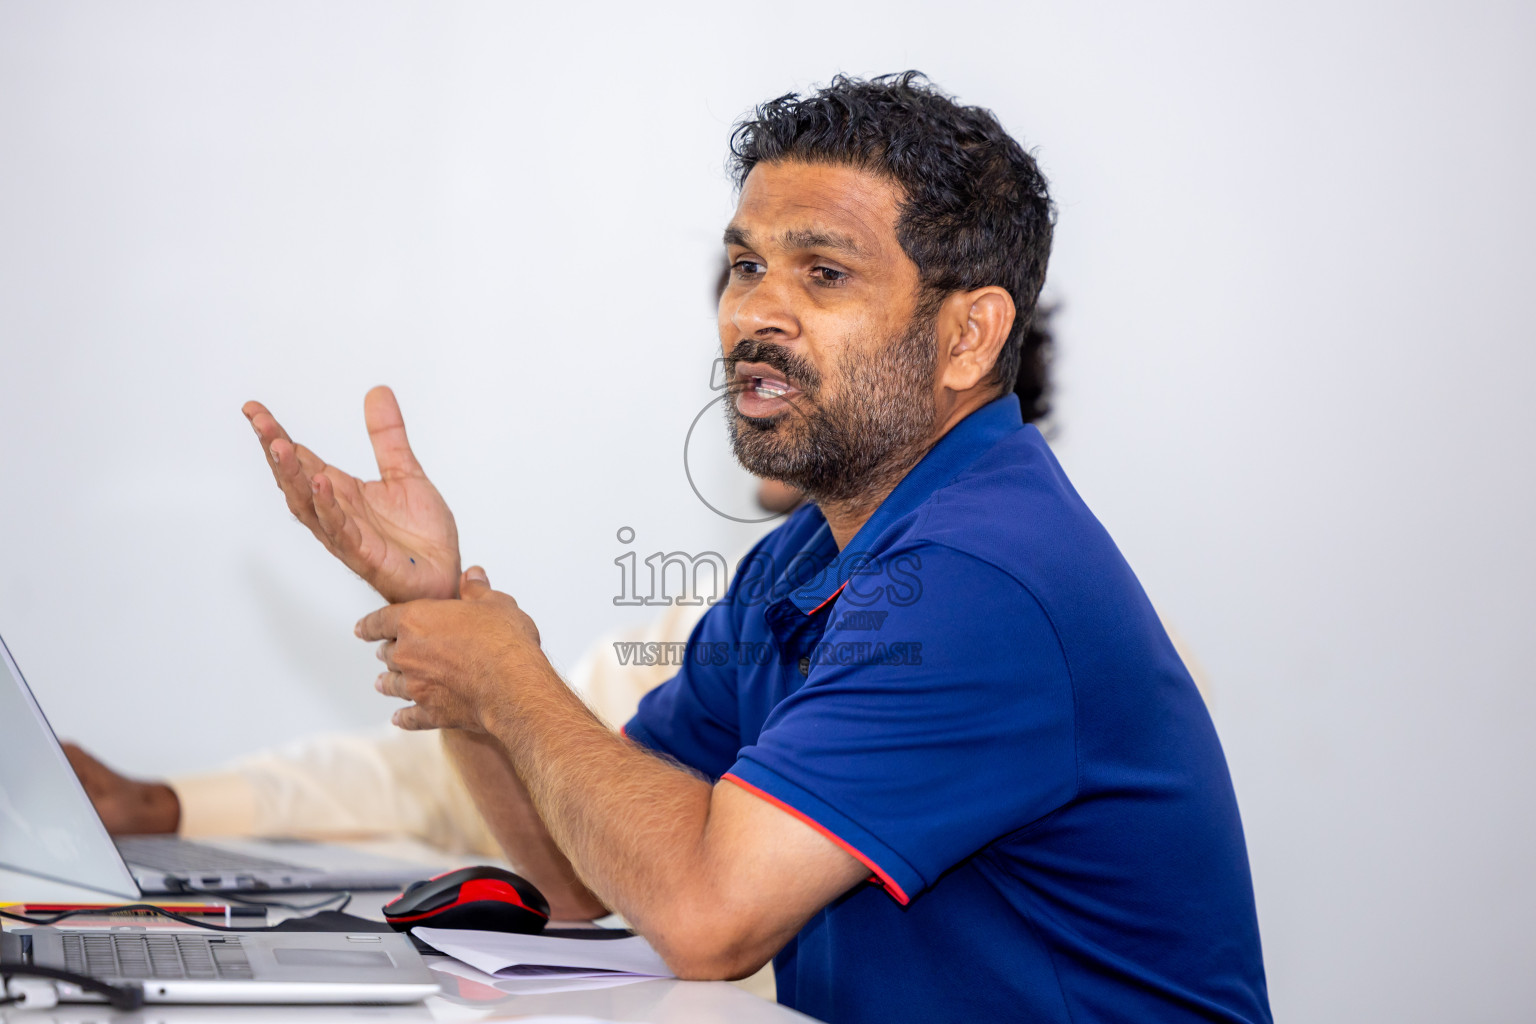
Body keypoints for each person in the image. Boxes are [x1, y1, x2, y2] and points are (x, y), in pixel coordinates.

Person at [122, 72, 1277, 1023]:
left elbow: (710, 917)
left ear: (970, 335)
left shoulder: (981, 578)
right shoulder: (810, 555)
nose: (750, 314)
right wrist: (451, 628)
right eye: (744, 265)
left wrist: (507, 672)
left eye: (821, 273)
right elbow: (583, 879)